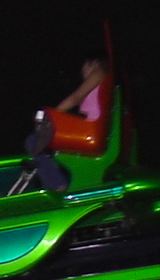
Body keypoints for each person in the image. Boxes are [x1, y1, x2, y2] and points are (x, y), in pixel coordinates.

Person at [25, 53, 109, 191]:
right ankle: (55, 180)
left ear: (93, 63)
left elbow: (75, 98)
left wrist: (53, 114)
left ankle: (57, 185)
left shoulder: (99, 72)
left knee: (33, 141)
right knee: (38, 142)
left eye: (84, 68)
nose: (83, 73)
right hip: (91, 129)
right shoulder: (102, 80)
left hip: (91, 132)